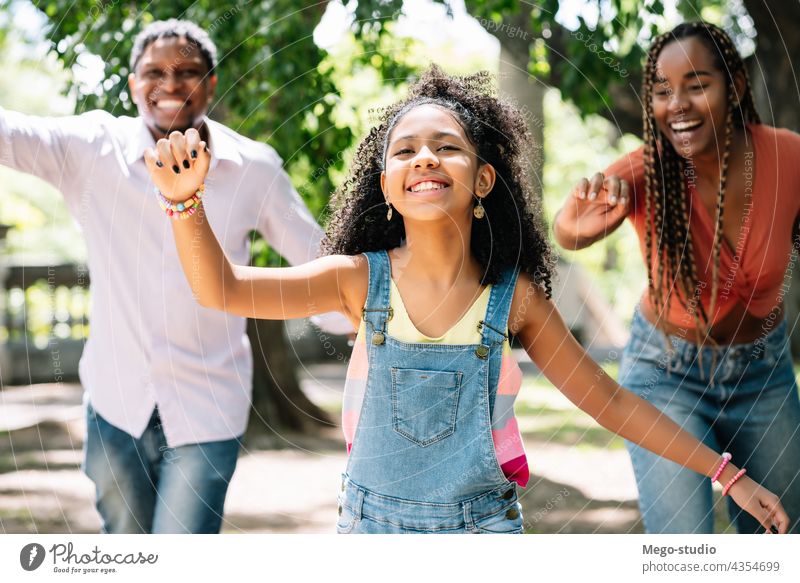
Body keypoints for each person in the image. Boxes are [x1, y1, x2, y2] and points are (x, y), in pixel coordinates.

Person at [145, 65, 789, 534]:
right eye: (406, 150)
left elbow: (613, 401)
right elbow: (221, 288)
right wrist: (184, 200)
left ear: (483, 179)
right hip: (371, 530)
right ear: (387, 186)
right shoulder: (353, 279)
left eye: (446, 146)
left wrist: (726, 474)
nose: (425, 157)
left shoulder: (516, 302)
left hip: (484, 533)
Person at [0, 19, 350, 533]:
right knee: (126, 549)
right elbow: (11, 135)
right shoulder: (90, 148)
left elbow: (318, 260)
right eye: (153, 72)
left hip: (209, 403)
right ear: (132, 85)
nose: (170, 84)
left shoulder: (254, 166)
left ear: (211, 84)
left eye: (188, 72)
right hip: (115, 403)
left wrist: (358, 314)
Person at [553, 21, 800, 533]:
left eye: (696, 84)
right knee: (683, 544)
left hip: (762, 374)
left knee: (784, 537)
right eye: (662, 91)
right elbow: (568, 231)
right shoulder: (646, 169)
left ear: (733, 84)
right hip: (666, 373)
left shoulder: (788, 157)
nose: (677, 103)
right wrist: (579, 220)